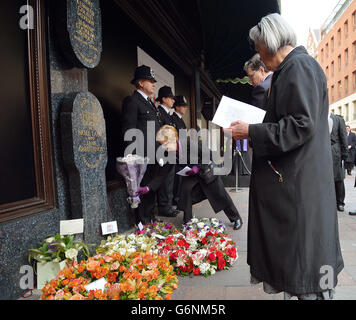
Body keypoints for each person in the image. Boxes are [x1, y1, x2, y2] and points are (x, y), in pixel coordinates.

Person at [226, 13, 343, 299]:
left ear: (270, 43)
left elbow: (300, 124)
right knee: (305, 268)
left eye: (259, 47)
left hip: (297, 189)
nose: (258, 54)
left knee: (306, 270)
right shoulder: (296, 67)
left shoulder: (298, 67)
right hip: (299, 184)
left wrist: (252, 133)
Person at [121, 65, 163, 224]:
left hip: (154, 153)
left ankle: (151, 218)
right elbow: (129, 128)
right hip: (141, 154)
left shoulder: (150, 104)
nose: (154, 84)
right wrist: (131, 156)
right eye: (150, 81)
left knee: (151, 188)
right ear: (140, 83)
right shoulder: (132, 101)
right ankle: (143, 223)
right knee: (142, 187)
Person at [177, 136, 243, 230]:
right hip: (192, 174)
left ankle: (236, 218)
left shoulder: (189, 144)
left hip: (206, 171)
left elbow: (208, 154)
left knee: (221, 196)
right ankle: (187, 221)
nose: (164, 147)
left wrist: (197, 167)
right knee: (187, 192)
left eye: (166, 143)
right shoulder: (171, 150)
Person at [155, 86, 179, 217]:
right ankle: (164, 206)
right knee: (165, 179)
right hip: (163, 151)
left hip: (171, 150)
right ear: (163, 99)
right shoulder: (159, 113)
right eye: (171, 98)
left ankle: (168, 205)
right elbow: (160, 134)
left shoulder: (167, 114)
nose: (173, 101)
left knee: (170, 180)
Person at [171, 95, 189, 205]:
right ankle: (175, 199)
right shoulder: (173, 119)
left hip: (182, 152)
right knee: (176, 179)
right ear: (177, 107)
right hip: (176, 153)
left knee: (181, 178)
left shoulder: (181, 120)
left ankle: (178, 198)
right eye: (183, 106)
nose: (185, 108)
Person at [329, 113, 348, 212]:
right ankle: (329, 201)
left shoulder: (338, 119)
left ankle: (340, 202)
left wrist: (345, 155)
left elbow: (343, 137)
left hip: (335, 153)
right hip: (322, 153)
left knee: (338, 179)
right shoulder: (319, 117)